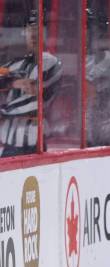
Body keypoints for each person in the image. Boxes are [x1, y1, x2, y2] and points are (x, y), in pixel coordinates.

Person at [0, 10, 62, 157]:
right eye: (30, 29)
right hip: (9, 143)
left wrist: (3, 110)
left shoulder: (50, 62)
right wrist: (13, 82)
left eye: (39, 30)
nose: (33, 35)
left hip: (33, 144)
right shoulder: (17, 63)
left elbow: (35, 101)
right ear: (24, 32)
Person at [84, 7, 110, 147]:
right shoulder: (77, 58)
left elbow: (88, 89)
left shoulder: (107, 58)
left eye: (88, 27)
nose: (84, 32)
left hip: (102, 129)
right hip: (82, 129)